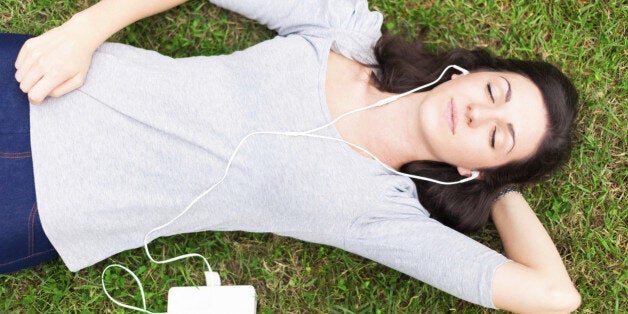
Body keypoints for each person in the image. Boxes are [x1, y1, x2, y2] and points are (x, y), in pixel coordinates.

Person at [1, 0, 581, 312]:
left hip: (44, 204)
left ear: (473, 169)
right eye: (494, 92)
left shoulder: (382, 214)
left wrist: (497, 186)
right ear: (474, 72)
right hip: (46, 82)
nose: (479, 113)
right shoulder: (348, 31)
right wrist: (85, 30)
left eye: (498, 136)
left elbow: (554, 296)